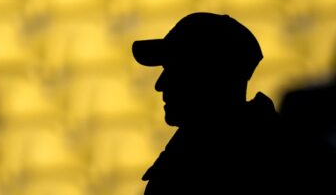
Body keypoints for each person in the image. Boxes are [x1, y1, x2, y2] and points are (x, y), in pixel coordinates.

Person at [131, 12, 327, 195]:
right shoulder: (189, 152)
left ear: (211, 77)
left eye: (176, 70)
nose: (160, 84)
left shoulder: (288, 160)